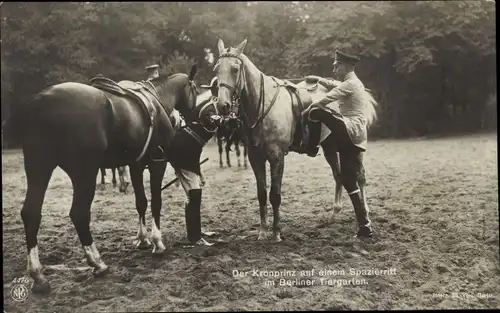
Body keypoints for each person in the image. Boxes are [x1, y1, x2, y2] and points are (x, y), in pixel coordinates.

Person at [301, 50, 374, 238]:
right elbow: (334, 84)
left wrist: (308, 109)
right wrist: (318, 78)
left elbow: (328, 97)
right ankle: (365, 225)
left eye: (337, 65)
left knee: (316, 112)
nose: (334, 69)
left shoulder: (350, 84)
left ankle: (310, 147)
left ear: (348, 67)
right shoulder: (351, 83)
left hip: (350, 129)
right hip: (355, 139)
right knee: (349, 181)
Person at [168, 90, 222, 246]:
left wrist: (200, 173)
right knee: (194, 193)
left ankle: (196, 231)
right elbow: (211, 119)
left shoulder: (210, 106)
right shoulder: (210, 108)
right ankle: (195, 237)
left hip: (188, 150)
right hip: (184, 151)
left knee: (191, 193)